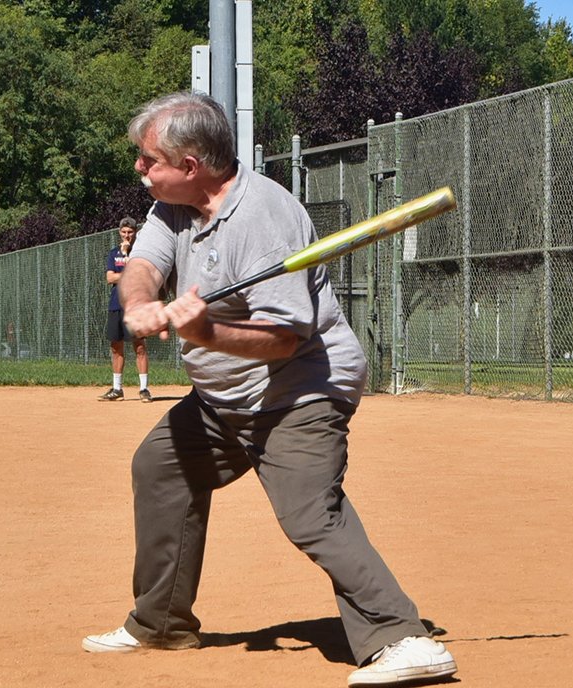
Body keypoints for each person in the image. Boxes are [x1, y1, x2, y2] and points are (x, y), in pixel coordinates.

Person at [80, 92, 457, 687]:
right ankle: (160, 622)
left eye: (149, 159)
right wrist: (141, 304)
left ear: (190, 165)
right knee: (162, 468)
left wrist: (205, 331)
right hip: (225, 395)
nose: (139, 168)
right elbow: (144, 267)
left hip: (299, 387)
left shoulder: (264, 219)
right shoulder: (172, 206)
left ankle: (402, 637)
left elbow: (284, 338)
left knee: (309, 512)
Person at [99, 217, 151, 402]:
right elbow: (109, 278)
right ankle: (117, 389)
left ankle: (144, 389)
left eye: (130, 232)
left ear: (135, 232)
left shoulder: (141, 252)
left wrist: (126, 256)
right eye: (124, 232)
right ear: (119, 232)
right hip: (116, 304)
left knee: (139, 346)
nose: (127, 235)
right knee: (116, 347)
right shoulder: (113, 253)